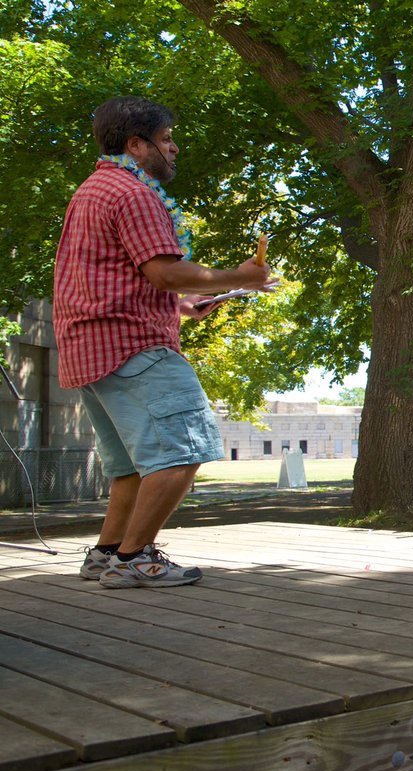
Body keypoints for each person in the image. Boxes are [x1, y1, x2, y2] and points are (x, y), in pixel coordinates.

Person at [61, 97, 273, 588]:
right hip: (132, 345)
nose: (174, 149)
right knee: (183, 449)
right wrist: (239, 275)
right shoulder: (133, 193)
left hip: (93, 348)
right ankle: (134, 559)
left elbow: (109, 276)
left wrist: (184, 306)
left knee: (134, 466)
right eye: (166, 139)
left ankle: (107, 552)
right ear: (136, 145)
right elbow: (162, 271)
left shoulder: (93, 189)